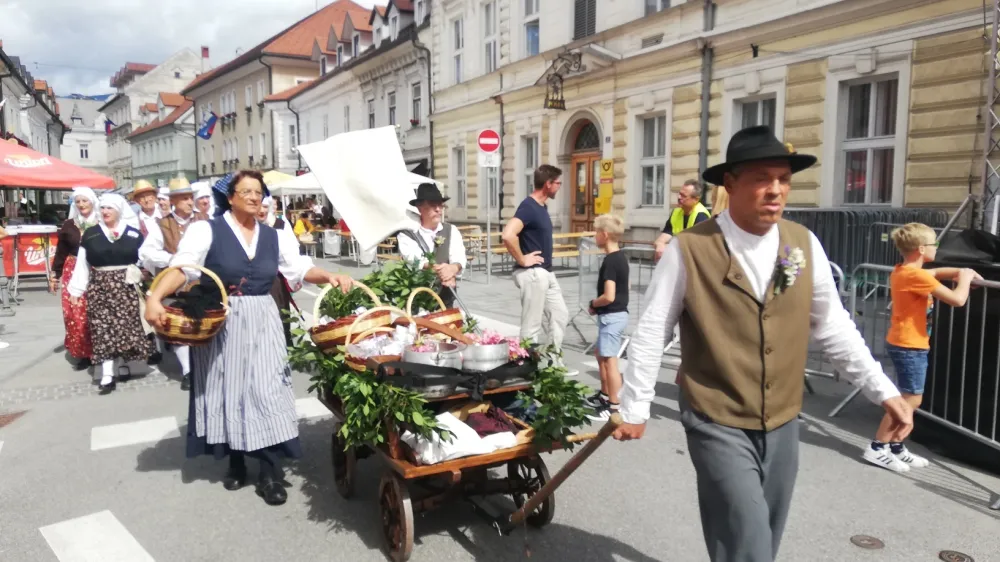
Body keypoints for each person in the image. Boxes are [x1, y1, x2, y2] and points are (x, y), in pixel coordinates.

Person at [614, 126, 913, 562]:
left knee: (764, 535)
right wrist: (635, 407)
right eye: (761, 178)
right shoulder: (690, 249)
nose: (776, 190)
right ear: (730, 185)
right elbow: (653, 330)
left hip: (783, 419)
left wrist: (883, 391)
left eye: (784, 179)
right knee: (746, 533)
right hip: (716, 416)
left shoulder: (802, 243)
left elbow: (833, 325)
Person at [145, 170, 354, 506]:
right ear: (230, 197)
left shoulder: (274, 235)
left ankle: (270, 471)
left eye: (259, 192)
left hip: (264, 318)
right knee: (229, 390)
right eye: (247, 191)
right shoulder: (206, 230)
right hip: (223, 321)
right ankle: (236, 460)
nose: (255, 198)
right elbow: (183, 267)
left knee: (268, 390)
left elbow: (298, 268)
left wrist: (329, 274)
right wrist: (155, 297)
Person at [863, 223, 980, 473]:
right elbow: (958, 299)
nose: (937, 248)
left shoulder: (903, 270)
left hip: (907, 343)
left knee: (910, 399)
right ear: (920, 249)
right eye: (934, 244)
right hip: (909, 346)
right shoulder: (915, 276)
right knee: (908, 401)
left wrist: (961, 271)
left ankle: (895, 447)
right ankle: (876, 447)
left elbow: (936, 273)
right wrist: (966, 280)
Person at [67, 194, 154, 394]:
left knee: (124, 328)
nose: (105, 212)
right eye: (103, 208)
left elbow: (145, 260)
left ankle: (123, 364)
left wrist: (149, 280)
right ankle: (107, 373)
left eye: (110, 208)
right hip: (100, 287)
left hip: (127, 287)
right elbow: (82, 263)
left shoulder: (133, 234)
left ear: (119, 211)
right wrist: (76, 289)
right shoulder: (91, 235)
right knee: (102, 328)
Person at [138, 177, 210, 391]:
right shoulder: (162, 225)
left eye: (191, 198)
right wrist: (171, 260)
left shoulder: (205, 220)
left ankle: (203, 365)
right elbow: (146, 252)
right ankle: (188, 371)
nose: (190, 202)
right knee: (178, 327)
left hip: (202, 282)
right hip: (174, 284)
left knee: (202, 325)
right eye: (185, 198)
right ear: (174, 201)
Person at [502, 164, 571, 368]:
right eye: (557, 183)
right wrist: (523, 259)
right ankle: (524, 369)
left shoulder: (542, 207)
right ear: (547, 183)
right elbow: (508, 234)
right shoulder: (528, 206)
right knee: (531, 325)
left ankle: (553, 362)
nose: (559, 187)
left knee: (560, 315)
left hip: (546, 273)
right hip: (532, 273)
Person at [50, 187, 99, 371]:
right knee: (76, 313)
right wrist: (55, 274)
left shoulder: (102, 222)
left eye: (84, 201)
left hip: (96, 269)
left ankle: (99, 351)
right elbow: (61, 251)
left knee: (96, 311)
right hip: (72, 270)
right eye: (78, 201)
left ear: (92, 201)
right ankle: (83, 353)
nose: (81, 204)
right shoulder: (69, 225)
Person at [586, 214, 629, 422]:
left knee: (610, 361)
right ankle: (604, 396)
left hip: (612, 316)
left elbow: (609, 295)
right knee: (599, 354)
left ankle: (614, 406)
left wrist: (594, 304)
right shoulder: (620, 257)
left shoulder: (611, 262)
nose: (595, 236)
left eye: (596, 232)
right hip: (614, 315)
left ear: (604, 235)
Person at [397, 183, 466, 307]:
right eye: (433, 205)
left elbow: (459, 257)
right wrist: (441, 270)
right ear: (420, 208)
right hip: (417, 298)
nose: (438, 209)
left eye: (440, 205)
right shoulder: (407, 234)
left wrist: (453, 269)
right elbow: (414, 260)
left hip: (445, 297)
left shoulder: (451, 230)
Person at [258, 196, 298, 347]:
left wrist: (294, 276)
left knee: (281, 317)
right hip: (255, 286)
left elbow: (292, 251)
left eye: (265, 206)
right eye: (259, 206)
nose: (262, 210)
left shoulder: (280, 225)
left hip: (276, 281)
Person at [654, 179, 711, 262]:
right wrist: (660, 244)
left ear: (696, 199)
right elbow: (665, 234)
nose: (679, 197)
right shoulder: (676, 212)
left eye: (684, 196)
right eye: (679, 194)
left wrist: (668, 248)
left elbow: (696, 247)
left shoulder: (701, 216)